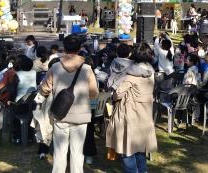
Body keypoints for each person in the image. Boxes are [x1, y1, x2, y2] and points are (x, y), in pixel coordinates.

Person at [37, 35, 99, 173]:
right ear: (79, 48)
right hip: (81, 115)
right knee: (77, 153)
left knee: (59, 152)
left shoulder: (55, 67)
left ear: (64, 48)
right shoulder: (87, 69)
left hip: (60, 113)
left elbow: (45, 89)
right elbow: (94, 93)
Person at [106, 43, 158, 173]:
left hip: (130, 115)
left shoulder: (131, 75)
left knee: (128, 150)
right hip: (145, 113)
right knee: (140, 149)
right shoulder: (151, 71)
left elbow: (118, 94)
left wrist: (114, 94)